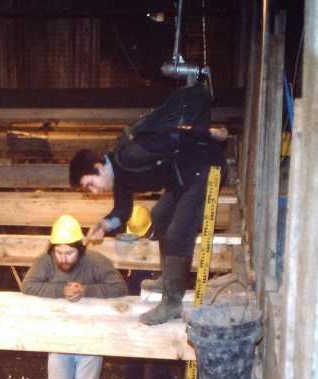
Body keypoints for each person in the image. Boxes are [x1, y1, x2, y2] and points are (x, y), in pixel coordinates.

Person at [68, 83, 226, 326]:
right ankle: (169, 277)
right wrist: (103, 224)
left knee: (177, 235)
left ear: (99, 167)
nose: (93, 191)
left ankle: (172, 301)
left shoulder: (130, 154)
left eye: (90, 184)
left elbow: (173, 136)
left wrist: (209, 134)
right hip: (183, 177)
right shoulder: (119, 172)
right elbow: (124, 210)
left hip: (204, 168)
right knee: (160, 215)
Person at [21, 214, 128, 379]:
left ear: (81, 249)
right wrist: (61, 290)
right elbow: (28, 285)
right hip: (59, 333)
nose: (63, 259)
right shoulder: (46, 261)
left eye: (69, 253)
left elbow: (120, 288)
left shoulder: (95, 262)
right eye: (59, 253)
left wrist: (86, 290)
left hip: (91, 334)